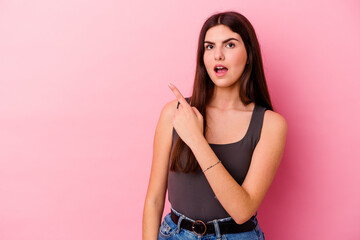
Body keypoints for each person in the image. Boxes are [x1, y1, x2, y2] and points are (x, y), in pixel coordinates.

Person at [142, 11, 287, 240]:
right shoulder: (174, 113)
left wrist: (196, 139)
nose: (218, 55)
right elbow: (154, 200)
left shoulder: (271, 124)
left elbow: (242, 212)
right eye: (209, 47)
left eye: (229, 45)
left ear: (249, 54)